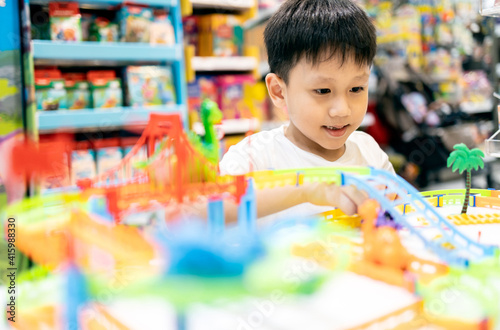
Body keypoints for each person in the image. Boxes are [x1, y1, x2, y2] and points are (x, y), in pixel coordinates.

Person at [218, 0, 395, 222]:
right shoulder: (254, 157)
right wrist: (305, 189)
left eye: (356, 88)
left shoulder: (368, 151)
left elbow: (399, 214)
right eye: (322, 90)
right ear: (279, 91)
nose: (342, 110)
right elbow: (205, 215)